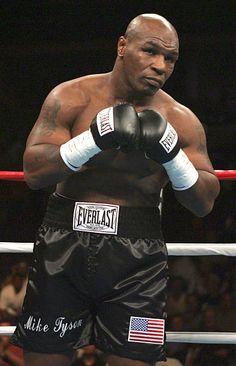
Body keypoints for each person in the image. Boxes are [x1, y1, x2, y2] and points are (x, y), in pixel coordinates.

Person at [10, 13, 220, 366]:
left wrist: (172, 156)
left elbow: (204, 202)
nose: (160, 66)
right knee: (45, 360)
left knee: (135, 360)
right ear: (123, 46)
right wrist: (93, 140)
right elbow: (34, 172)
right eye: (150, 51)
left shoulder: (181, 120)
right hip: (62, 248)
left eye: (170, 59)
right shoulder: (71, 96)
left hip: (140, 265)